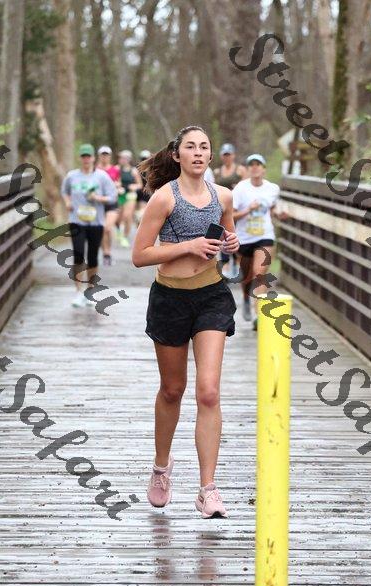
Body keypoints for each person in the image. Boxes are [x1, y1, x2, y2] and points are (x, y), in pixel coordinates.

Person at [132, 125, 239, 518]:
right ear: (177, 155)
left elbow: (229, 238)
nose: (198, 153)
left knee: (208, 392)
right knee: (172, 389)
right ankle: (161, 468)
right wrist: (188, 246)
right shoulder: (164, 198)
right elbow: (140, 255)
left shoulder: (223, 196)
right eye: (190, 147)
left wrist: (231, 243)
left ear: (211, 155)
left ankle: (208, 489)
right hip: (170, 299)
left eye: (204, 147)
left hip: (211, 296)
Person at [232, 153, 285, 330]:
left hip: (265, 236)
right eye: (251, 165)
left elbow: (273, 208)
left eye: (258, 164)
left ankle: (259, 316)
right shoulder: (240, 189)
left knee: (259, 274)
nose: (255, 167)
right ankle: (246, 299)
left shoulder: (273, 189)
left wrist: (279, 214)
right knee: (247, 277)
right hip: (244, 238)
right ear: (248, 169)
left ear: (263, 169)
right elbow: (231, 215)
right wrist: (248, 210)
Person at [61, 143, 117, 307]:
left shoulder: (102, 177)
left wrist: (97, 198)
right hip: (76, 221)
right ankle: (78, 291)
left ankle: (90, 291)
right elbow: (64, 191)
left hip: (96, 222)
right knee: (78, 255)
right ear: (80, 158)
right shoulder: (72, 176)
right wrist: (67, 202)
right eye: (83, 156)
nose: (86, 159)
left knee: (92, 257)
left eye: (88, 156)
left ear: (93, 158)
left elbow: (112, 197)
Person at [213, 144, 247, 278]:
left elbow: (246, 186)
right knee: (223, 234)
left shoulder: (240, 170)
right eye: (225, 155)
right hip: (222, 207)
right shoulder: (217, 172)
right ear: (221, 156)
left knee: (235, 234)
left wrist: (236, 189)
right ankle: (226, 265)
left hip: (237, 208)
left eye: (229, 154)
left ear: (233, 155)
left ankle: (238, 264)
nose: (227, 157)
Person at [96, 146, 120, 266]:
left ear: (110, 156)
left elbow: (120, 183)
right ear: (99, 156)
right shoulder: (95, 170)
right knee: (102, 229)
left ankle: (108, 252)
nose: (104, 157)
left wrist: (117, 186)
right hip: (98, 203)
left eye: (106, 155)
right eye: (103, 155)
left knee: (107, 228)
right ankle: (106, 254)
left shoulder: (115, 169)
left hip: (112, 202)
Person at [116, 150, 143, 247]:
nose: (123, 160)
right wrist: (117, 186)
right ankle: (119, 232)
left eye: (125, 158)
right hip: (120, 195)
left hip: (130, 195)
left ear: (129, 159)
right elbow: (113, 180)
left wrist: (134, 186)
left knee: (127, 216)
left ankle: (124, 236)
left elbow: (139, 185)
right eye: (121, 158)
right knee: (119, 217)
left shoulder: (133, 171)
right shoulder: (117, 169)